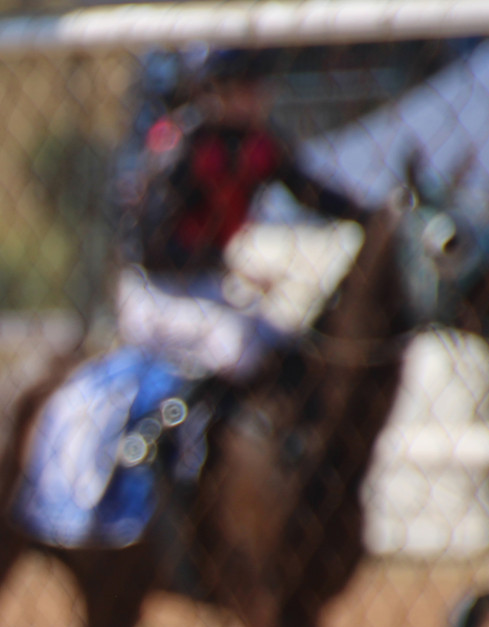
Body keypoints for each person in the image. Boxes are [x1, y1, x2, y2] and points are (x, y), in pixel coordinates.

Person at [115, 48, 370, 380]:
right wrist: (225, 264)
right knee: (236, 346)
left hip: (209, 288)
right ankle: (183, 430)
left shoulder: (257, 142)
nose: (261, 94)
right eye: (248, 85)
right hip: (157, 293)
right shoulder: (184, 145)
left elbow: (311, 193)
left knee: (287, 346)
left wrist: (372, 215)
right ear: (216, 91)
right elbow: (149, 244)